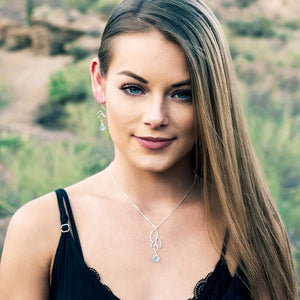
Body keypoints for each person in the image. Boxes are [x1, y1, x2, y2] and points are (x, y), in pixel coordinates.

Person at [0, 0, 298, 299]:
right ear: (98, 82)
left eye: (183, 94)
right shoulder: (39, 228)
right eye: (134, 88)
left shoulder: (253, 231)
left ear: (211, 97)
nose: (155, 117)